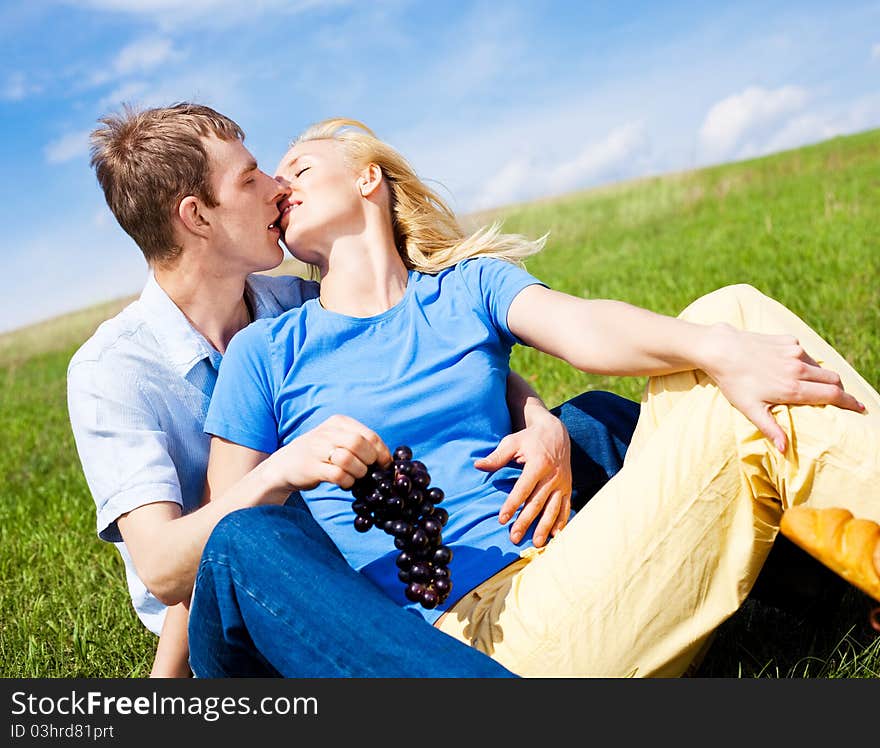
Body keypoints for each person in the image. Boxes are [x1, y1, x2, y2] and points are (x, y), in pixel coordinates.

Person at [193, 117, 880, 678]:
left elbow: (582, 326)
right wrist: (288, 466)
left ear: (368, 177)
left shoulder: (466, 289)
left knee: (730, 318)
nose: (281, 187)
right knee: (729, 332)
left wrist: (707, 352)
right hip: (468, 645)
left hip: (576, 575)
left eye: (300, 169)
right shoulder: (268, 352)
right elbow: (225, 536)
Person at [66, 102, 640, 678]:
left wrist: (538, 417)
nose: (275, 189)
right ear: (196, 217)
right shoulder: (114, 372)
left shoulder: (290, 305)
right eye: (250, 178)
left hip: (362, 562)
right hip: (259, 607)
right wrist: (281, 470)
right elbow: (170, 571)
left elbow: (449, 361)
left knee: (594, 420)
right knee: (251, 537)